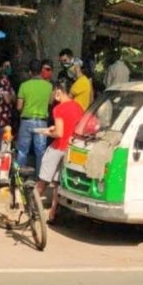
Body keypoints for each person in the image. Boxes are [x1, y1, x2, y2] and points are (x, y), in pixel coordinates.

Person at [36, 78, 84, 223]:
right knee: (57, 182)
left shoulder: (59, 109)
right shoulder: (78, 107)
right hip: (70, 149)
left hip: (58, 147)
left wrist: (47, 132)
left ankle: (33, 207)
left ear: (59, 91)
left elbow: (59, 133)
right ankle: (53, 213)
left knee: (43, 180)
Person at [15, 59, 53, 169]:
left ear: (30, 72)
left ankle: (19, 177)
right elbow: (50, 102)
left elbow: (19, 107)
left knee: (22, 151)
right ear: (41, 71)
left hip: (26, 121)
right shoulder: (49, 86)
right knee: (40, 152)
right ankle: (39, 180)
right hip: (41, 122)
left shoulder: (24, 85)